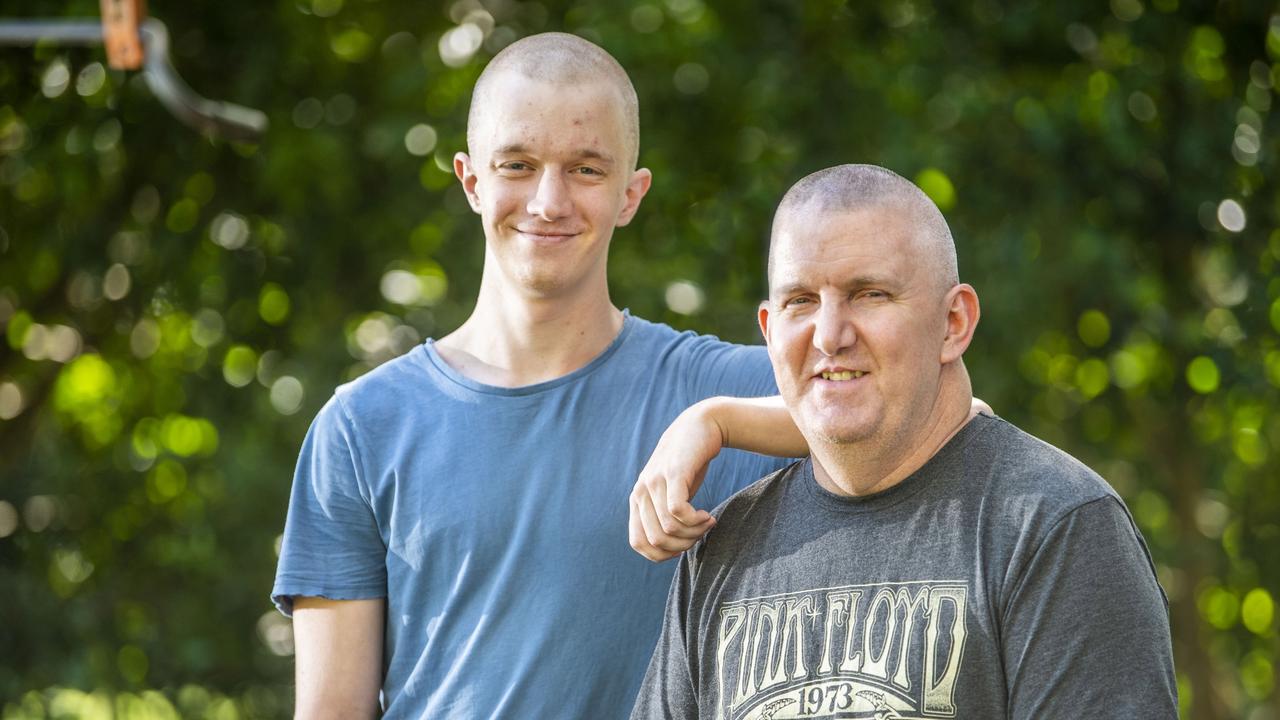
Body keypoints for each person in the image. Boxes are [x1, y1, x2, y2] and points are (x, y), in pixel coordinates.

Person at [270, 32, 807, 718]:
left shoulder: (721, 392)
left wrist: (716, 421)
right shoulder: (359, 429)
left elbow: (930, 405)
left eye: (585, 170)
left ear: (630, 194)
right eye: (518, 165)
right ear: (471, 180)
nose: (548, 202)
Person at [631, 164, 1178, 719]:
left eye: (869, 294)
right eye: (801, 301)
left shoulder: (1055, 526)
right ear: (770, 331)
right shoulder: (725, 549)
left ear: (953, 322)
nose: (830, 335)